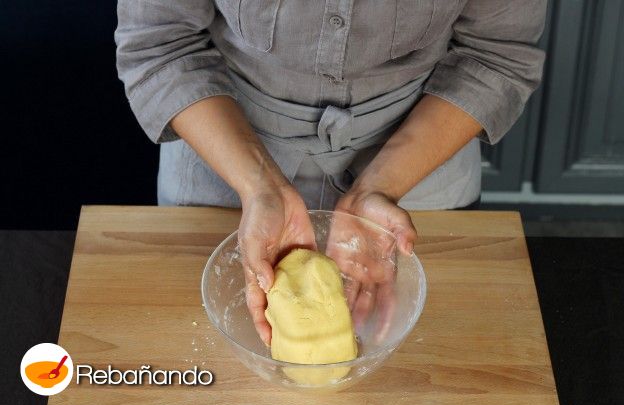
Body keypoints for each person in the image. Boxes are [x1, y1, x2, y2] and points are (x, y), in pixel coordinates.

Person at [115, 1, 546, 345]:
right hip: (226, 151)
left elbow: (496, 56)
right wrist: (258, 185)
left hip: (423, 155)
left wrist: (383, 185)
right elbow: (162, 44)